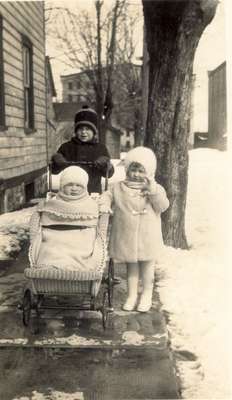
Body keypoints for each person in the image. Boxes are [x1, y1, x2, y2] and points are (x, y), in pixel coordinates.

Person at [100, 146, 169, 312]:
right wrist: (104, 204)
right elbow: (106, 196)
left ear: (149, 171)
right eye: (133, 169)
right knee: (131, 268)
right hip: (127, 235)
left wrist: (152, 191)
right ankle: (131, 296)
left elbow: (163, 206)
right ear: (127, 169)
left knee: (147, 269)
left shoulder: (155, 188)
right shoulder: (118, 187)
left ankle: (146, 295)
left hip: (147, 235)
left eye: (141, 170)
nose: (136, 174)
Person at [29, 166, 105, 276]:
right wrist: (41, 209)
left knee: (83, 251)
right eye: (69, 185)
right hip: (55, 240)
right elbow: (45, 221)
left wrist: (104, 207)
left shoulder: (90, 204)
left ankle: (76, 269)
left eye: (78, 185)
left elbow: (93, 225)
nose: (74, 188)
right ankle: (50, 268)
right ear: (62, 186)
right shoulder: (54, 203)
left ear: (85, 187)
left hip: (81, 240)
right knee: (49, 250)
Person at [51, 105, 114, 194]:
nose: (83, 132)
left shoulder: (100, 149)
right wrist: (57, 161)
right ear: (76, 131)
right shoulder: (66, 147)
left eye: (88, 129)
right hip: (70, 193)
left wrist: (106, 165)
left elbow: (109, 174)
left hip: (92, 192)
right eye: (80, 129)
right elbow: (54, 171)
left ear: (94, 131)